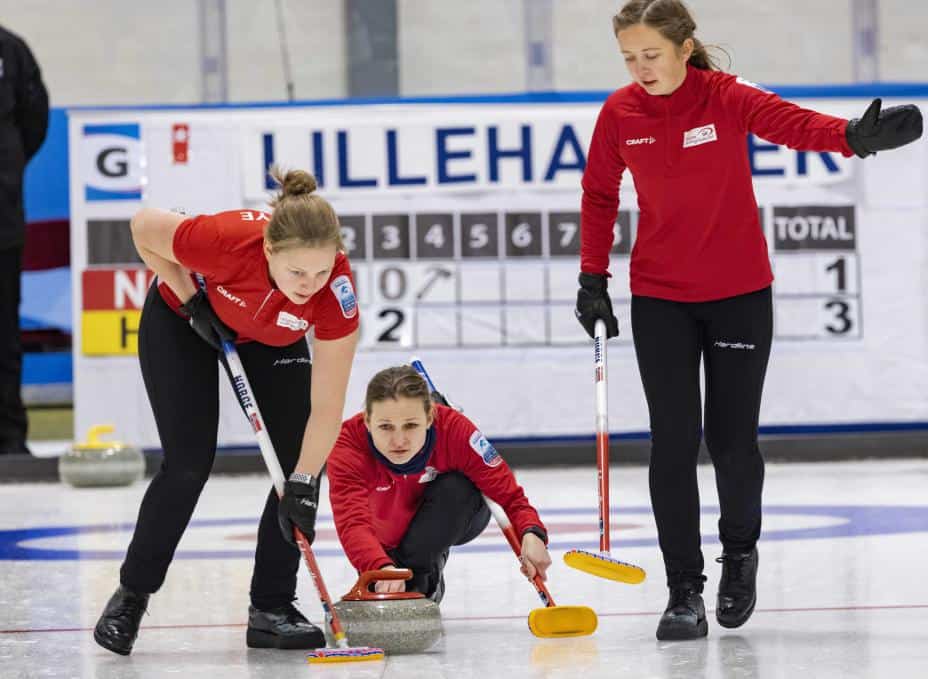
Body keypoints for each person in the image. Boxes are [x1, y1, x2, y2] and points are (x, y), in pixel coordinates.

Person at [574, 0, 922, 642]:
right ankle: (683, 590)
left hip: (738, 294)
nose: (641, 68)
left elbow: (792, 123)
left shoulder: (726, 96)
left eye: (651, 54)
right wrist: (592, 279)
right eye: (629, 57)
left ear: (684, 48)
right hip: (660, 298)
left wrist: (851, 136)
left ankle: (739, 555)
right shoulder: (620, 112)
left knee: (732, 442)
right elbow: (599, 194)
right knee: (672, 444)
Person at [94, 168, 361, 655]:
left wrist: (304, 482)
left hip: (268, 338)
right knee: (188, 463)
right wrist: (192, 300)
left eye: (321, 272)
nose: (310, 285)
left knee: (296, 464)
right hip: (184, 321)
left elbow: (327, 408)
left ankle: (271, 608)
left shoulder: (334, 294)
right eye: (297, 273)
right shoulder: (226, 241)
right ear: (269, 251)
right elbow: (143, 227)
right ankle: (131, 595)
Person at [326, 366, 551, 602]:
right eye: (385, 427)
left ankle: (424, 572)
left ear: (430, 417)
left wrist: (531, 532)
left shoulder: (455, 429)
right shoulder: (346, 445)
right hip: (384, 534)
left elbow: (509, 496)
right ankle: (397, 566)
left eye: (411, 425)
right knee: (384, 580)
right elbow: (352, 522)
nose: (399, 441)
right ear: (367, 421)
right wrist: (378, 565)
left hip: (451, 515)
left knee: (458, 487)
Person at [0, 25, 49, 456]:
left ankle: (8, 438)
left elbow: (34, 122)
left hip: (2, 219)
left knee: (3, 335)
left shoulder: (9, 49)